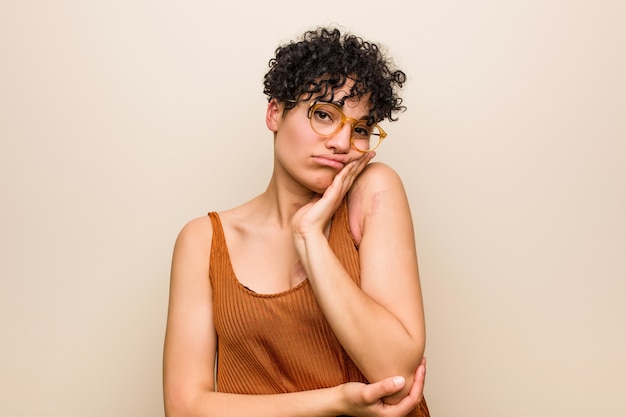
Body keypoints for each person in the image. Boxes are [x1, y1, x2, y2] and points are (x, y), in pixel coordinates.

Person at [163, 26, 430, 417]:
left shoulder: (373, 191)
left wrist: (310, 237)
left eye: (360, 129)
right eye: (324, 115)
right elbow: (185, 407)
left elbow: (395, 373)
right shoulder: (202, 241)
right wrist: (337, 401)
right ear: (275, 112)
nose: (342, 143)